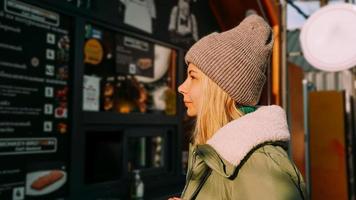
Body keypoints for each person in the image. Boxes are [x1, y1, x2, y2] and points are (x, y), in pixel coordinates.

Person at [170, 15, 307, 200]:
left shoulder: (260, 165)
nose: (181, 87)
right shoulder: (219, 153)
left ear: (220, 88)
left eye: (193, 77)